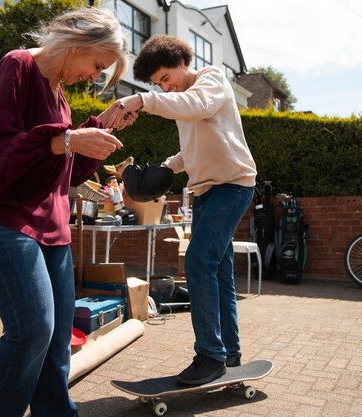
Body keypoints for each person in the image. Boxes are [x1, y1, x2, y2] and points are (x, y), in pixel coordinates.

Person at [0, 7, 132, 417]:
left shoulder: (59, 96)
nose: (95, 76)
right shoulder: (17, 66)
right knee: (32, 331)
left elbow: (60, 173)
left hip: (50, 229)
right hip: (2, 221)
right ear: (78, 45)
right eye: (97, 64)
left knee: (54, 338)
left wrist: (96, 131)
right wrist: (66, 141)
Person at [107, 35, 257, 385]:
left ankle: (209, 355)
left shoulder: (211, 79)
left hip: (233, 186)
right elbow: (191, 150)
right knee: (218, 271)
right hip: (207, 191)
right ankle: (228, 353)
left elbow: (199, 105)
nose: (164, 87)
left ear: (180, 62)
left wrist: (142, 99)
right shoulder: (183, 102)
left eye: (165, 78)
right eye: (157, 84)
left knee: (198, 261)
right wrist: (163, 168)